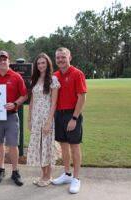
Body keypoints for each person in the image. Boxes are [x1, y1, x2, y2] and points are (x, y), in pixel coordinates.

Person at [0, 50, 28, 186]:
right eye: (0, 60)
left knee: (13, 145)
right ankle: (1, 168)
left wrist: (15, 103)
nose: (2, 61)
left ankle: (15, 171)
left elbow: (24, 95)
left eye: (5, 59)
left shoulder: (16, 77)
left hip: (11, 116)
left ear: (9, 61)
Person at [51, 47, 87, 194]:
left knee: (74, 146)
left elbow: (82, 98)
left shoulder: (77, 74)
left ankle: (76, 178)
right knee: (63, 145)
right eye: (58, 57)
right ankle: (67, 174)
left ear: (69, 58)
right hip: (58, 115)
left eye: (63, 57)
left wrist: (74, 118)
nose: (60, 60)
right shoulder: (55, 75)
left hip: (72, 114)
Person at [27, 53, 60, 187]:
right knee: (39, 145)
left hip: (47, 117)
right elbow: (32, 101)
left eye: (43, 63)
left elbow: (54, 103)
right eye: (39, 63)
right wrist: (29, 119)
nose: (41, 65)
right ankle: (43, 174)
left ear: (48, 64)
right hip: (36, 117)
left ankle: (48, 176)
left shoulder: (53, 80)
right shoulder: (34, 80)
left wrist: (48, 122)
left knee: (47, 144)